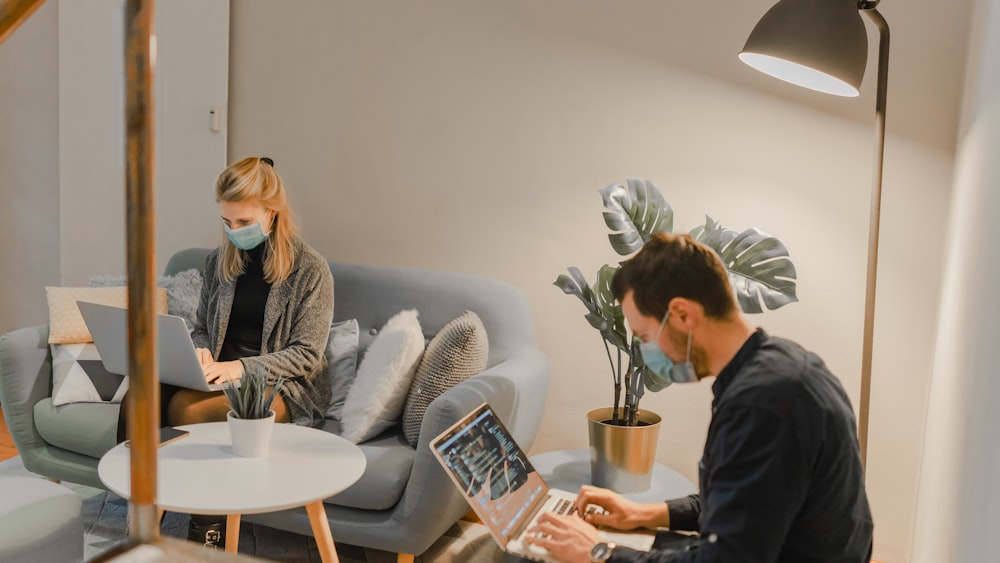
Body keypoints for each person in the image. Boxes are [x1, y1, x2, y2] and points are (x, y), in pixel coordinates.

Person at [527, 232, 873, 562]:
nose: (646, 351)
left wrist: (600, 552)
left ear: (682, 314)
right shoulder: (782, 365)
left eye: (645, 335)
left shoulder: (762, 403)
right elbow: (748, 503)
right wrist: (644, 513)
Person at [116, 156, 334, 548]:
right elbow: (202, 326)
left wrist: (238, 367)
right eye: (227, 222)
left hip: (283, 385)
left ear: (272, 212)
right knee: (139, 398)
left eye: (244, 222)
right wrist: (199, 353)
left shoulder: (311, 270)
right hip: (217, 371)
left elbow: (306, 355)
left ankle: (208, 537)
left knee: (188, 410)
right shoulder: (220, 261)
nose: (234, 231)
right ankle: (140, 513)